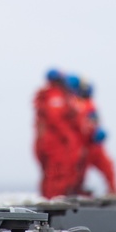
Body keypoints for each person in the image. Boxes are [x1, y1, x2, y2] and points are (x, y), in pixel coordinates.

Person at [33, 69, 83, 198]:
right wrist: (67, 136)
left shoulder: (54, 96)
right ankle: (54, 198)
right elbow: (55, 118)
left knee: (56, 172)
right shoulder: (55, 96)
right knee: (57, 172)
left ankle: (54, 197)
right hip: (54, 142)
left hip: (52, 141)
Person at [72, 77, 116, 196]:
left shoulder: (90, 104)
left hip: (95, 144)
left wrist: (98, 131)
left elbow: (94, 121)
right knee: (78, 171)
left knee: (108, 166)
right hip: (83, 145)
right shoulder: (75, 104)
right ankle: (76, 190)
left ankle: (113, 191)